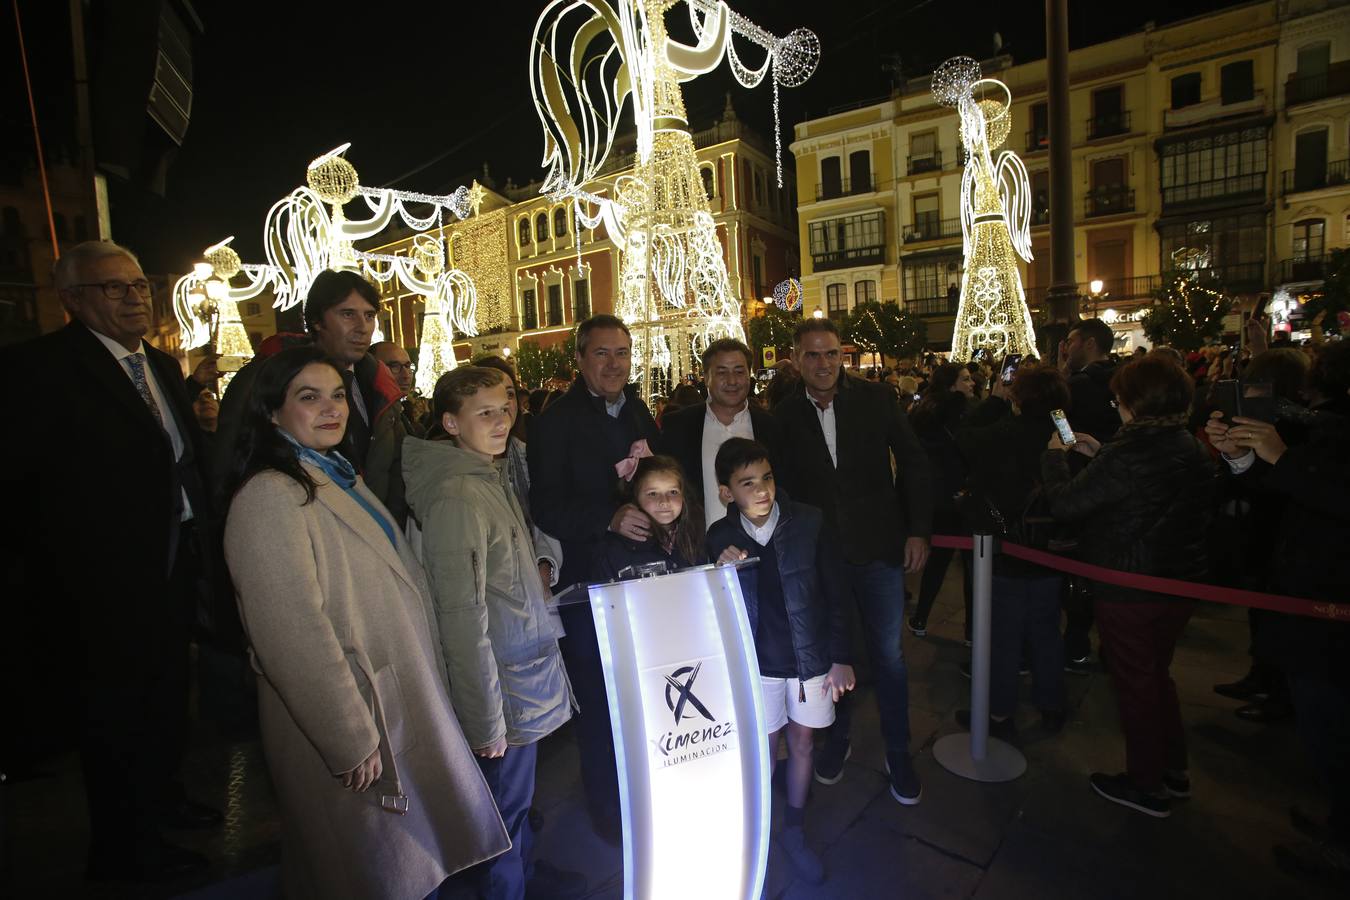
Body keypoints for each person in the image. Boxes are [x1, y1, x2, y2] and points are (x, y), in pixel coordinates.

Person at [223, 346, 509, 899]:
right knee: (364, 871)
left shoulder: (329, 474)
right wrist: (347, 736)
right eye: (309, 397)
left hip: (384, 698)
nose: (331, 409)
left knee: (392, 866)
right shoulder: (269, 495)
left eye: (336, 395)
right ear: (272, 411)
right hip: (352, 717)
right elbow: (290, 632)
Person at [0, 240, 220, 882]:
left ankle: (163, 799)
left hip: (174, 565)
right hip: (97, 585)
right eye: (113, 288)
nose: (133, 297)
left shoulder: (160, 365)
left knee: (166, 698)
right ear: (71, 299)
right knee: (114, 718)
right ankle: (125, 852)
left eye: (138, 285)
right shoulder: (36, 370)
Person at [402, 365, 576, 900]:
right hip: (503, 685)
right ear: (451, 423)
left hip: (519, 670)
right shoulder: (458, 494)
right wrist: (484, 720)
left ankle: (518, 876)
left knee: (514, 808)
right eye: (484, 413)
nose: (501, 421)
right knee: (501, 811)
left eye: (505, 408)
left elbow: (513, 559)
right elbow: (461, 614)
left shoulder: (487, 475)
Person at [1041, 356, 1217, 818]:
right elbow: (1149, 494)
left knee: (1136, 683)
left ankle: (1145, 783)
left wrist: (1055, 458)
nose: (1114, 403)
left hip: (1130, 582)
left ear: (1136, 401)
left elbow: (1067, 503)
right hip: (1180, 581)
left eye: (1119, 397)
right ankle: (1172, 769)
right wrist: (1100, 454)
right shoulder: (1187, 446)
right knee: (1158, 676)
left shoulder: (1131, 452)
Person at [773, 318, 932, 805]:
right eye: (813, 356)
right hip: (822, 558)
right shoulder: (780, 416)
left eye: (831, 354)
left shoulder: (877, 399)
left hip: (879, 549)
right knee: (832, 656)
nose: (823, 364)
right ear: (797, 359)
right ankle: (837, 738)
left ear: (843, 355)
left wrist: (918, 530)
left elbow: (914, 462)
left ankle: (898, 750)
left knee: (888, 656)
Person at [1205, 389, 1350, 883]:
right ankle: (1339, 821)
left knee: (1332, 725)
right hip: (1309, 599)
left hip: (1330, 600)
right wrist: (1243, 458)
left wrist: (1285, 459)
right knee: (1323, 725)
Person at [528, 314, 659, 840]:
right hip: (587, 584)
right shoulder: (554, 421)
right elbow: (545, 506)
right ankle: (608, 806)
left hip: (643, 575)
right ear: (579, 359)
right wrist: (606, 517)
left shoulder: (640, 411)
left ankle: (644, 786)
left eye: (622, 353)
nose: (613, 364)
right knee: (600, 701)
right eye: (602, 353)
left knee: (642, 689)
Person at [706, 438, 854, 885]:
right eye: (747, 483)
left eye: (767, 477)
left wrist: (841, 656)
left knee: (804, 742)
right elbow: (709, 607)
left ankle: (794, 827)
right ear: (726, 492)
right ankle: (761, 830)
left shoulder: (808, 520)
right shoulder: (720, 536)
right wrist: (718, 567)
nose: (762, 490)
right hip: (759, 664)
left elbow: (836, 592)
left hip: (810, 660)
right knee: (764, 749)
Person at [214, 270, 409, 521]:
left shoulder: (380, 385)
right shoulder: (267, 378)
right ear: (317, 321)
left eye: (369, 315)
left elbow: (396, 466)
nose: (362, 328)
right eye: (348, 314)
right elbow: (228, 462)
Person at [956, 365, 1070, 736]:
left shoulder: (1005, 432)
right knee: (1046, 629)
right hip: (1051, 545)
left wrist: (994, 401)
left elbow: (965, 438)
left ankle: (999, 713)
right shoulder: (1063, 432)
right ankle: (1051, 704)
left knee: (1001, 636)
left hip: (1005, 544)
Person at [658, 338, 781, 531]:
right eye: (722, 372)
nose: (732, 381)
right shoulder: (678, 426)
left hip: (761, 548)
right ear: (706, 377)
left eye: (739, 372)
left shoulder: (771, 426)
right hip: (699, 548)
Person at [1057, 317, 1120, 674]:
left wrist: (1068, 443)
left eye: (1071, 341)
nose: (1068, 347)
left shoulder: (1079, 384)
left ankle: (1077, 644)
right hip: (1118, 482)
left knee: (1080, 570)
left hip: (1083, 478)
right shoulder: (1124, 379)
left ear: (1089, 343)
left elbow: (1057, 421)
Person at [471, 355, 563, 590]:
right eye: (489, 396)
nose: (502, 406)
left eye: (509, 394)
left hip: (532, 590)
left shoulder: (526, 454)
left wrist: (545, 562)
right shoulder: (454, 471)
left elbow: (543, 515)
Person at [907, 363, 975, 641]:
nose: (972, 384)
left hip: (934, 496)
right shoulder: (962, 413)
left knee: (938, 561)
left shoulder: (922, 411)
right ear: (951, 384)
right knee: (973, 566)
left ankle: (921, 616)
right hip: (961, 495)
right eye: (966, 379)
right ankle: (973, 629)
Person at [597, 455, 707, 579]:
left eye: (673, 492)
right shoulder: (615, 548)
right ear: (635, 498)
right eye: (653, 494)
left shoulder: (697, 538)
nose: (664, 501)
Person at [373, 340, 430, 434]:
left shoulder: (401, 416)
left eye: (408, 366)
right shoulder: (370, 417)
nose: (406, 375)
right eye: (395, 366)